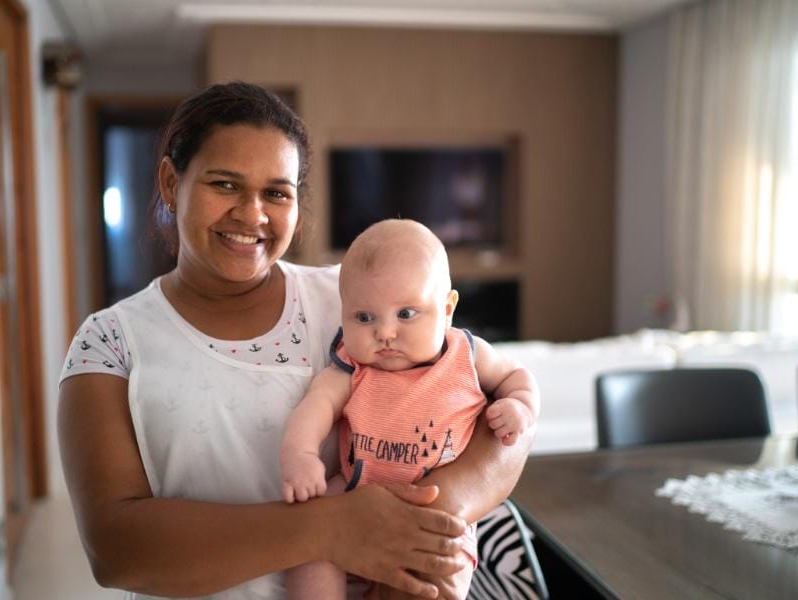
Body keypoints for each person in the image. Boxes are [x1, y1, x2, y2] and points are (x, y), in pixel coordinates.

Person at [57, 81, 534, 600]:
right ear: (172, 183)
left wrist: (422, 525)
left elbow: (494, 415)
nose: (252, 213)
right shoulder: (110, 343)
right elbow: (115, 548)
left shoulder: (353, 300)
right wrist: (332, 527)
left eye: (276, 193)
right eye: (225, 184)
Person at [280, 219, 539, 599]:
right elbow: (315, 406)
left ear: (447, 308)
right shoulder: (353, 368)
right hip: (353, 499)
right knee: (310, 548)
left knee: (436, 580)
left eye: (405, 314)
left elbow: (517, 375)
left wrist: (520, 405)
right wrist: (299, 455)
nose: (385, 333)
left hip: (434, 516)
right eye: (364, 317)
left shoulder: (467, 355)